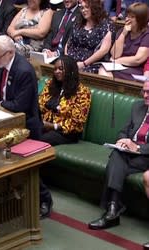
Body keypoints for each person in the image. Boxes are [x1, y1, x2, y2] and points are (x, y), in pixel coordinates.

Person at [88, 81, 149, 230]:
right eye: (144, 92)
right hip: (130, 153)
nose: (145, 95)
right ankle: (112, 209)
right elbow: (124, 130)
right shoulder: (138, 107)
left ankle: (112, 212)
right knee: (117, 154)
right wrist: (122, 141)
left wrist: (138, 147)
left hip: (146, 156)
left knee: (117, 160)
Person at [38, 55, 91, 218]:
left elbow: (77, 123)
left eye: (61, 69)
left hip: (66, 133)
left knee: (36, 145)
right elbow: (39, 104)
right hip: (45, 126)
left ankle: (43, 197)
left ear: (71, 71)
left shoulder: (82, 92)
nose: (57, 72)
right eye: (55, 69)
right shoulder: (50, 84)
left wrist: (52, 125)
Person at [98, 2, 149, 81]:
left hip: (134, 70)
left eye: (132, 17)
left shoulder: (146, 35)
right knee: (103, 70)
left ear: (140, 20)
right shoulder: (123, 30)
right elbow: (115, 54)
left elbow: (138, 59)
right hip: (118, 67)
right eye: (127, 16)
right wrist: (123, 34)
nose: (127, 19)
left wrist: (117, 61)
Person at [65, 0, 113, 73]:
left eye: (87, 7)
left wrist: (84, 64)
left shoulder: (106, 25)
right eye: (82, 8)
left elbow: (103, 50)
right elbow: (68, 43)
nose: (84, 10)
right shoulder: (78, 22)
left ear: (95, 8)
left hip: (91, 63)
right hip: (72, 61)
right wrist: (67, 59)